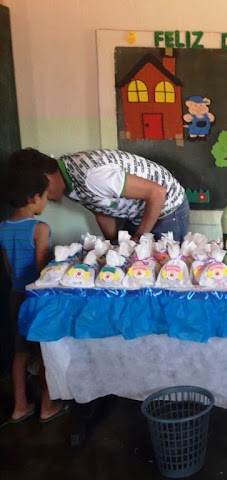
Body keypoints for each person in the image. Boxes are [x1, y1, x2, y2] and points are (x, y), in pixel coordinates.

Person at [0, 159, 70, 423]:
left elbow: (9, 268)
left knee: (20, 354)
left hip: (15, 295)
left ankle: (20, 406)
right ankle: (47, 405)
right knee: (43, 353)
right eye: (45, 197)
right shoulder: (39, 229)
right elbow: (42, 270)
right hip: (36, 300)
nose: (46, 203)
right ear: (33, 198)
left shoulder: (3, 228)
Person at [12, 149, 190, 243]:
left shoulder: (93, 176)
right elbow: (101, 210)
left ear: (46, 178)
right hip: (138, 213)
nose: (47, 200)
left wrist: (138, 237)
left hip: (167, 209)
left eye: (41, 195)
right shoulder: (68, 179)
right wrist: (113, 244)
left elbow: (157, 193)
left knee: (166, 273)